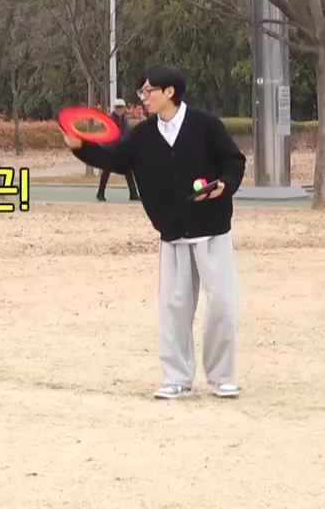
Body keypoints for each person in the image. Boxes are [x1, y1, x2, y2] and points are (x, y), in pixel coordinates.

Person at [60, 65, 246, 400]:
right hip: (172, 233)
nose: (143, 98)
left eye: (149, 91)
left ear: (169, 92)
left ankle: (221, 377)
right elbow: (117, 159)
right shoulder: (143, 134)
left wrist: (225, 185)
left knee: (222, 305)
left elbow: (233, 161)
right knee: (174, 308)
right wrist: (80, 147)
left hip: (212, 229)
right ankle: (177, 378)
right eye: (142, 91)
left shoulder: (206, 125)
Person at [96, 99, 138, 202]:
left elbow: (126, 133)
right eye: (117, 107)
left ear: (124, 108)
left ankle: (133, 194)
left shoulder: (124, 120)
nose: (119, 109)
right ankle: (100, 194)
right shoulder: (110, 120)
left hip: (120, 149)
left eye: (121, 107)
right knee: (106, 172)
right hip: (109, 149)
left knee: (128, 172)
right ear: (114, 108)